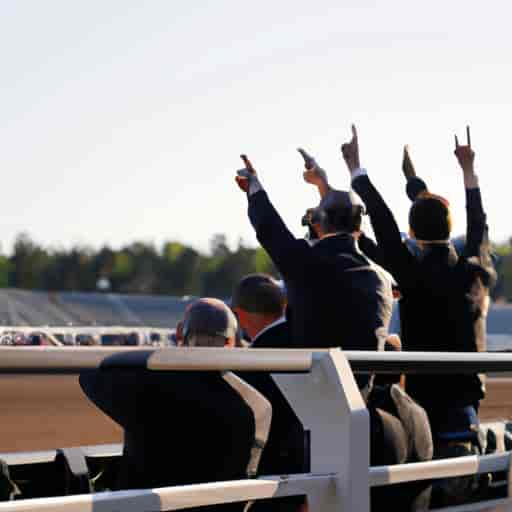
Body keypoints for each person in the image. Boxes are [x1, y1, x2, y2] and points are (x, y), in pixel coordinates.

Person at [343, 125, 492, 456]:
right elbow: (478, 223)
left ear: (411, 230)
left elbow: (381, 221)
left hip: (423, 403)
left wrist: (356, 172)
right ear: (450, 226)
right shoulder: (471, 271)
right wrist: (469, 170)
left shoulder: (410, 272)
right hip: (464, 406)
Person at [80, 298, 270, 512]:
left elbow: (89, 376)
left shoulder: (144, 386)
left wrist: (154, 357)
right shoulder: (252, 406)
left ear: (180, 332)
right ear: (231, 342)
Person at [235, 154, 393, 393]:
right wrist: (323, 187)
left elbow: (269, 228)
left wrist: (254, 187)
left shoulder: (305, 264)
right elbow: (340, 212)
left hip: (316, 400)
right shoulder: (381, 278)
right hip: (363, 399)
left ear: (317, 225)